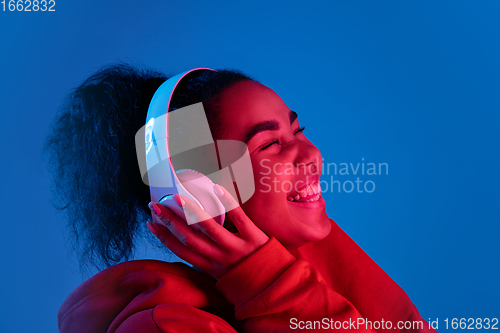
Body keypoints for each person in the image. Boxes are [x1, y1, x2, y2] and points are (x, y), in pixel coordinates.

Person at [46, 64, 435, 332]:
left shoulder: (302, 262)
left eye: (298, 131)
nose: (311, 155)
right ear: (196, 192)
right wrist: (269, 281)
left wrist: (268, 276)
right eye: (271, 144)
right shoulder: (163, 326)